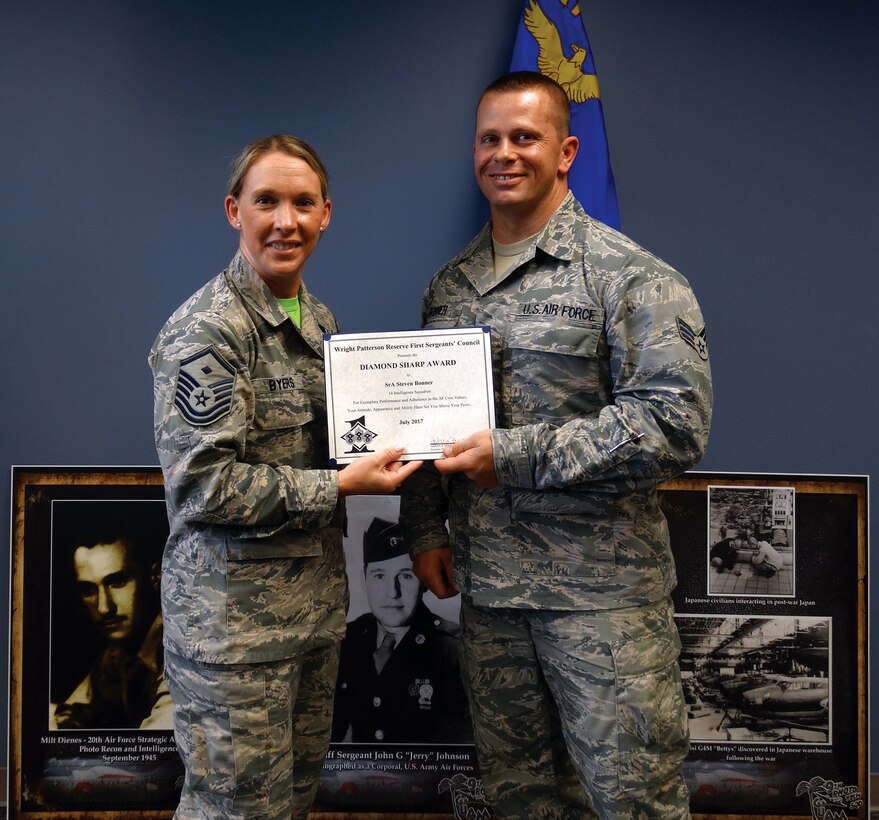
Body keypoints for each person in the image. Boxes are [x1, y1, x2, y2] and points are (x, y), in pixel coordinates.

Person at [400, 72, 712, 818]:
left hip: (600, 605)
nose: (503, 154)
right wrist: (421, 527)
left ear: (566, 150)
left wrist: (514, 455)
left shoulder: (630, 278)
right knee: (523, 801)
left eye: (524, 137)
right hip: (493, 602)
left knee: (634, 801)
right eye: (489, 138)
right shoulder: (450, 288)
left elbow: (673, 422)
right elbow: (423, 419)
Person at [149, 135, 422, 820]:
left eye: (302, 204)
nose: (284, 221)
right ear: (232, 209)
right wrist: (340, 487)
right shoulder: (208, 331)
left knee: (290, 806)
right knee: (233, 811)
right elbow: (204, 487)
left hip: (309, 623)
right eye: (265, 201)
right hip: (234, 639)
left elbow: (337, 444)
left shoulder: (318, 320)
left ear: (326, 214)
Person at [332, 517, 472, 744]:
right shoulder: (347, 639)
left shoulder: (452, 648)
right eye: (379, 575)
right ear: (363, 579)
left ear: (424, 580)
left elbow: (459, 743)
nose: (392, 592)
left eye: (406, 576)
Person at [51, 503, 171, 730]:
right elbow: (66, 716)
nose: (104, 608)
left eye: (117, 582)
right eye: (88, 590)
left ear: (156, 577)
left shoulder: (180, 646)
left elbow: (158, 743)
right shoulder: (117, 656)